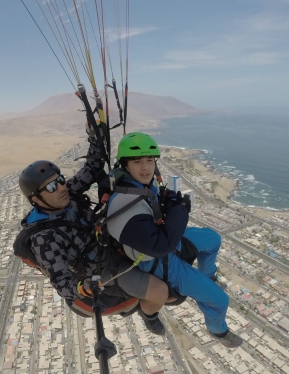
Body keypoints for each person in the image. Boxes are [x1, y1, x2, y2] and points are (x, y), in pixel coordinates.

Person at [17, 128, 170, 335]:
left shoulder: (67, 195)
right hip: (103, 267)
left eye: (60, 180)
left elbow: (92, 167)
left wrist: (95, 136)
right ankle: (149, 315)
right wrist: (83, 287)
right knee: (160, 291)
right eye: (51, 187)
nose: (61, 187)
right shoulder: (44, 238)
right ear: (36, 199)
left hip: (110, 237)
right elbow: (62, 283)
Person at [106, 132, 243, 348]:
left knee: (212, 239)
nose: (145, 167)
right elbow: (160, 247)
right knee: (220, 300)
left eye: (149, 160)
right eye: (137, 161)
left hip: (162, 239)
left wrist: (168, 201)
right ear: (125, 165)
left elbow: (155, 205)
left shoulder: (137, 184)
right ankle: (218, 330)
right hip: (156, 261)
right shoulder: (125, 205)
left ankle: (208, 275)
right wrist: (179, 211)